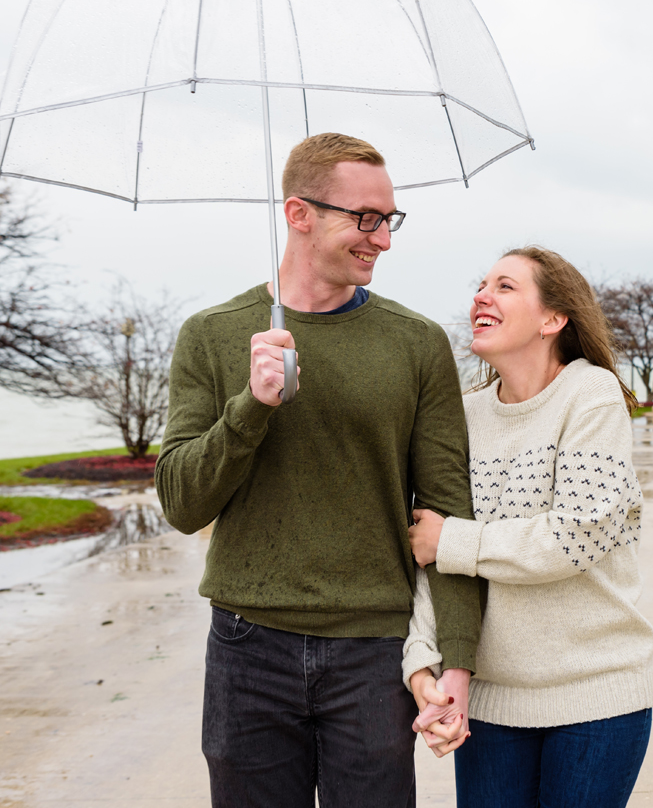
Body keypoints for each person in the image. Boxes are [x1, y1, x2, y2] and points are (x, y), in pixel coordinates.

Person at [156, 132, 483, 807]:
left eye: (388, 219)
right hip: (248, 644)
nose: (382, 238)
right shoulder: (212, 334)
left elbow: (449, 509)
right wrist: (252, 406)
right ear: (298, 213)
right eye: (365, 218)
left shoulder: (418, 344)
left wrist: (456, 660)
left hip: (374, 648)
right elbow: (182, 503)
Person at [402, 246, 653, 808]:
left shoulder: (590, 395)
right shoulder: (464, 414)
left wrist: (454, 541)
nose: (481, 296)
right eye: (481, 285)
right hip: (488, 706)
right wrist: (423, 662)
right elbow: (429, 553)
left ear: (552, 318)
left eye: (505, 286)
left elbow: (575, 535)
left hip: (596, 702)